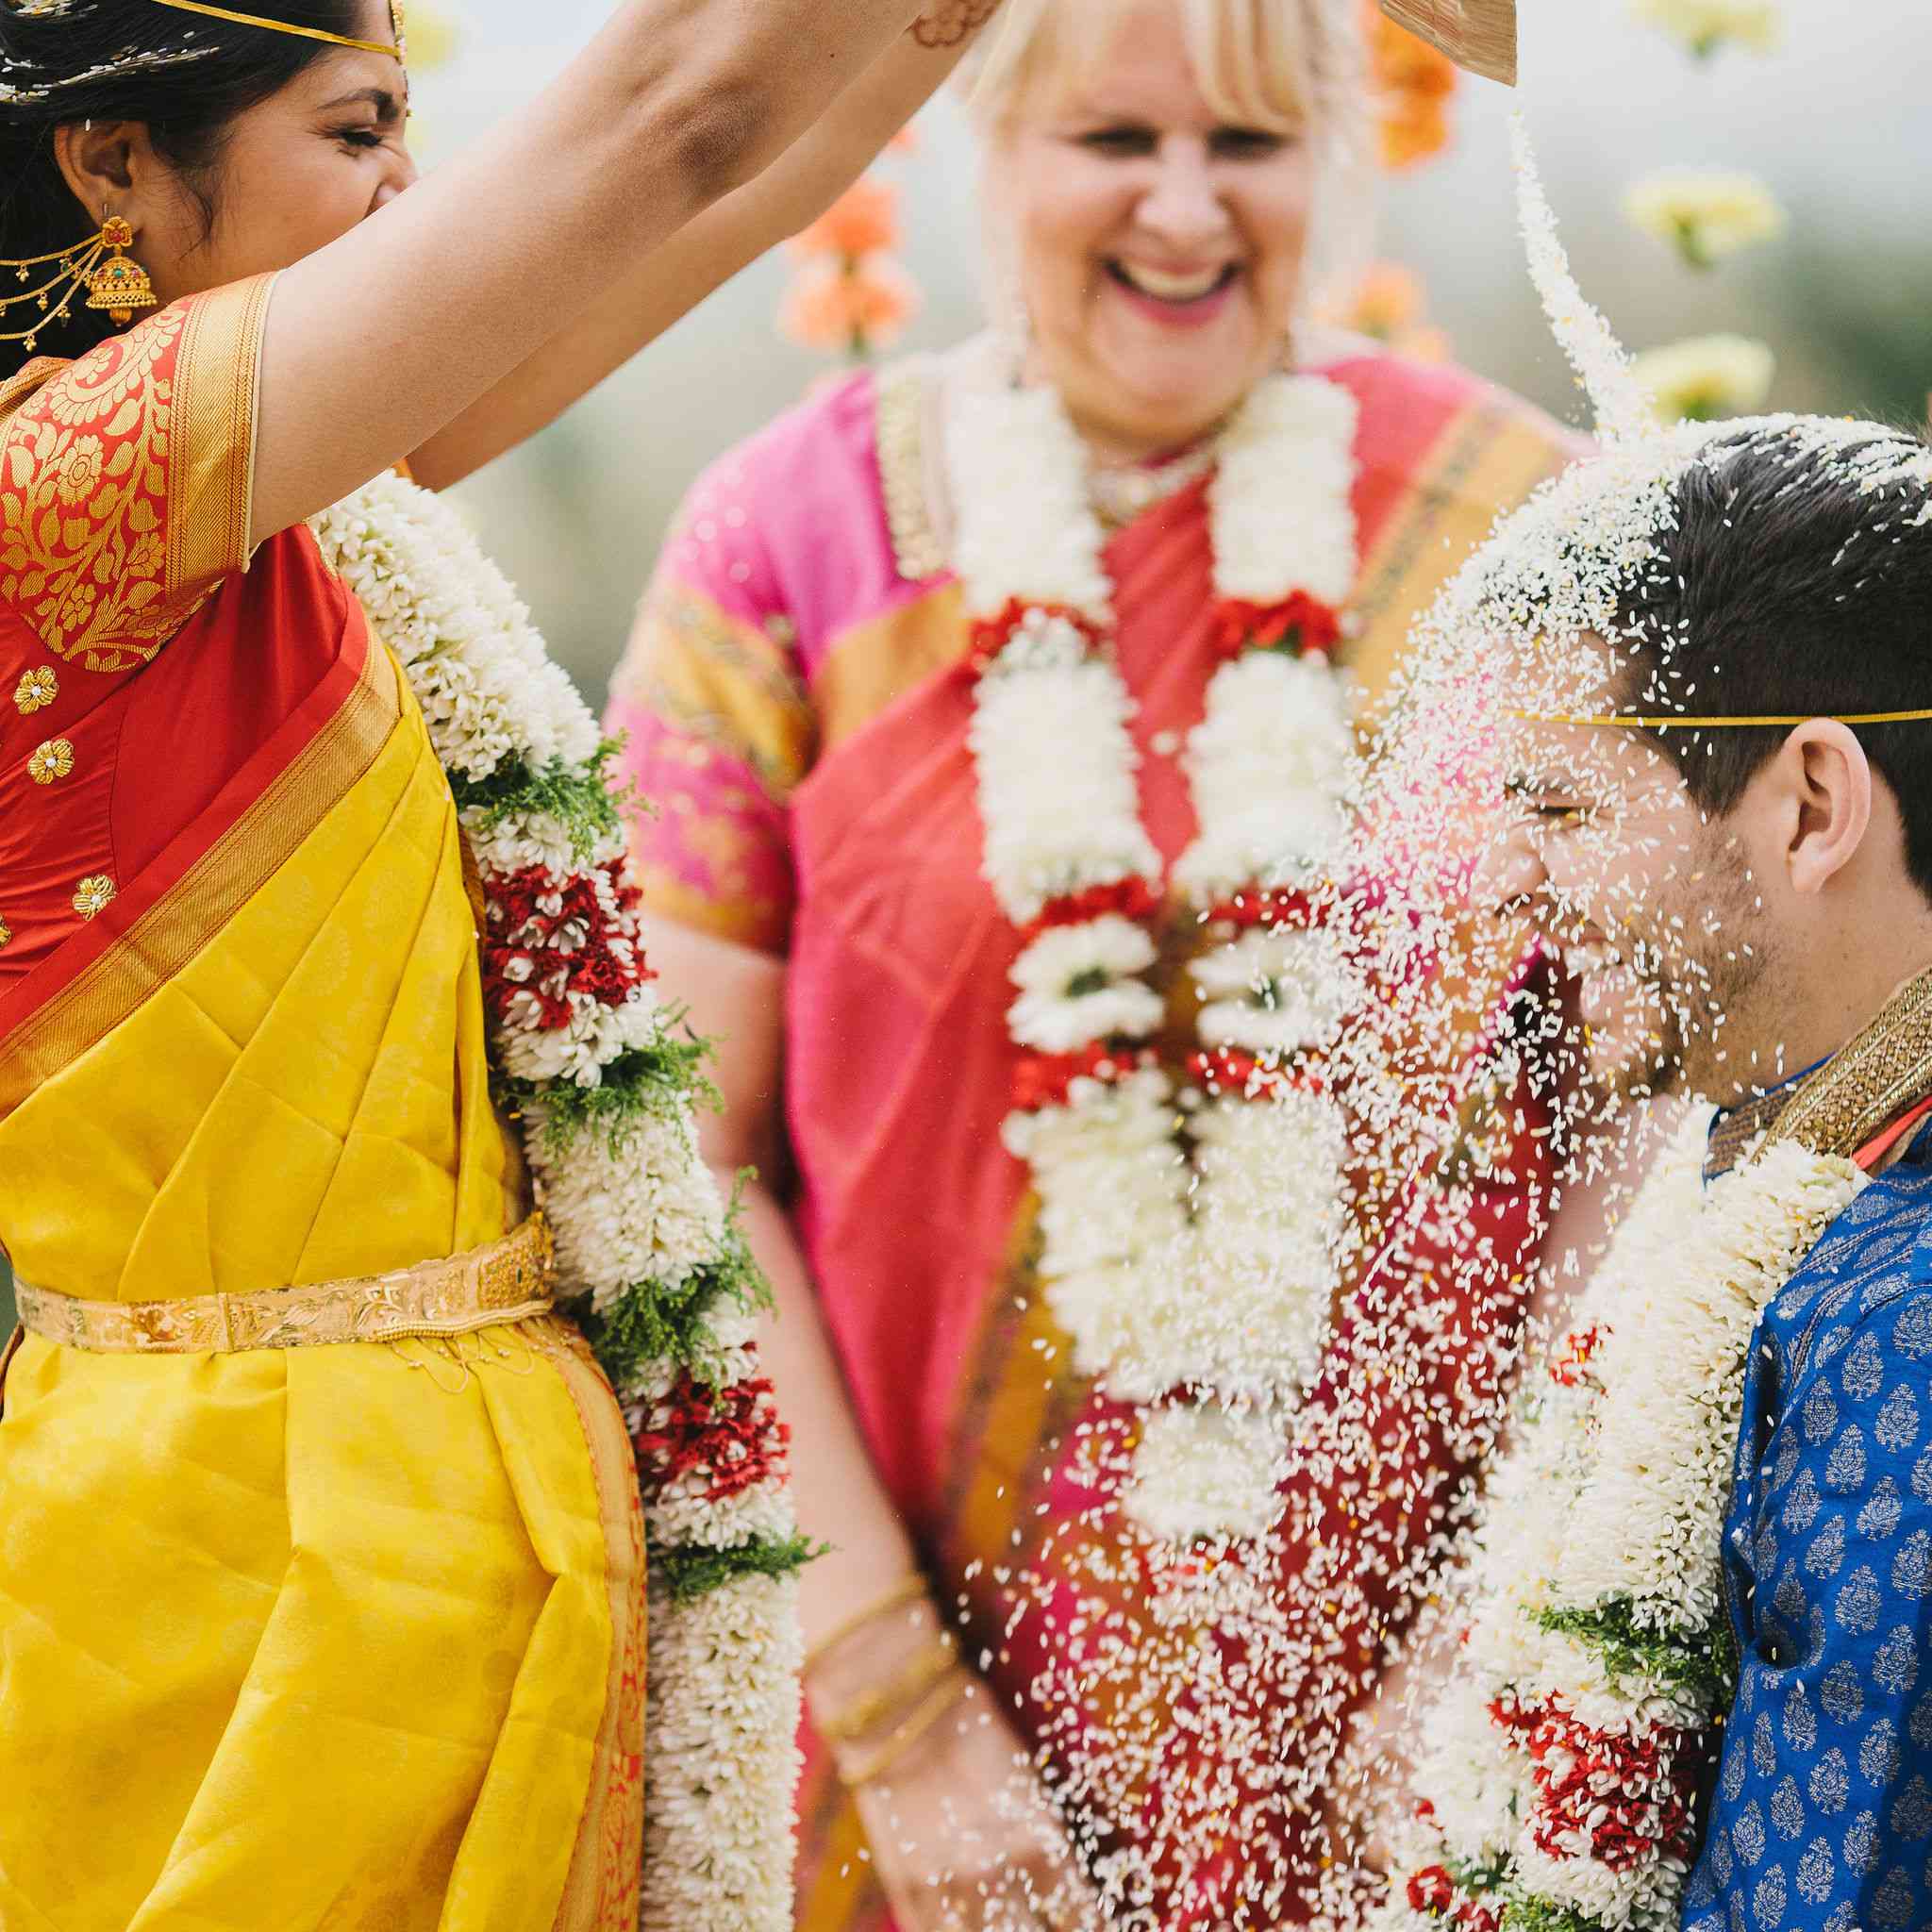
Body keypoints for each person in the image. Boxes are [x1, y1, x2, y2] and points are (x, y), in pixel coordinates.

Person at [0, 0, 1008, 1924]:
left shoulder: (284, 507)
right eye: (358, 130)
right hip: (260, 1552)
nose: (412, 198)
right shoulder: (76, 496)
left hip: (459, 1499)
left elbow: (735, 187)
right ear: (113, 167)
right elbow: (682, 116)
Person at [605, 1, 1599, 1923]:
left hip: (1439, 1719)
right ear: (985, 151)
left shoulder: (1522, 538)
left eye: (1242, 146)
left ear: (1338, 165)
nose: (1179, 208)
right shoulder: (783, 544)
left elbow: (1656, 1129)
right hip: (897, 1724)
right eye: (1111, 140)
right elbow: (675, 1170)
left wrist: (1470, 1659)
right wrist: (904, 1722)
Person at [1362, 172, 1932, 1930]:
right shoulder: (1786, 1166)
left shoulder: (1894, 1323)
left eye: (1555, 802)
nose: (1500, 884)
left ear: (1811, 803)